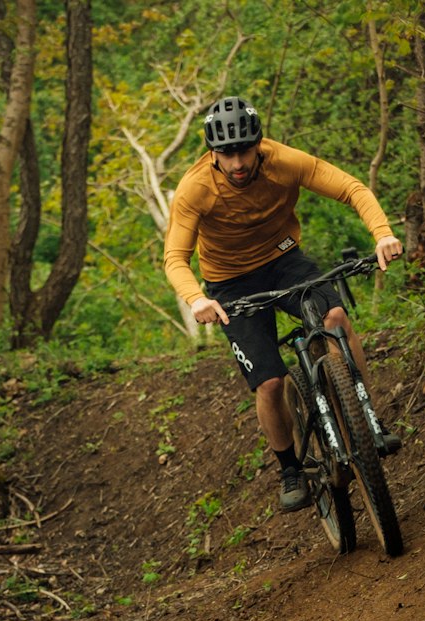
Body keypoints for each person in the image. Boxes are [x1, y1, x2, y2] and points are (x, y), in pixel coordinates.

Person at [164, 96, 403, 512]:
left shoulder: (284, 161)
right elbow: (174, 258)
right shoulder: (196, 188)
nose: (237, 163)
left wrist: (382, 233)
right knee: (270, 382)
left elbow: (351, 187)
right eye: (227, 153)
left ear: (258, 144)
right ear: (212, 153)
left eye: (244, 150)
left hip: (284, 260)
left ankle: (364, 416)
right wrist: (197, 298)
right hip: (229, 282)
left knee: (336, 318)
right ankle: (290, 467)